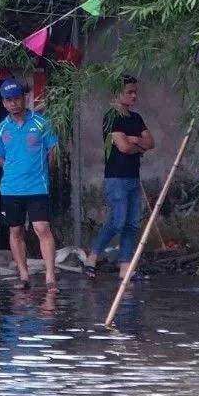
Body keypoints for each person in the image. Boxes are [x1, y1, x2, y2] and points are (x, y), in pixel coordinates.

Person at [83, 75, 154, 281]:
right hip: (116, 177)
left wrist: (134, 142)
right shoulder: (111, 116)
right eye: (130, 92)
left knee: (132, 223)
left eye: (135, 92)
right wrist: (136, 144)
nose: (134, 95)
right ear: (117, 93)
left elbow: (151, 142)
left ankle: (125, 268)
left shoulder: (136, 118)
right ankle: (92, 257)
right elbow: (123, 147)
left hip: (133, 175)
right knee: (118, 220)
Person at [0, 78, 61, 290]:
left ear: (24, 99)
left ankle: (50, 277)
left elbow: (53, 152)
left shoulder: (42, 123)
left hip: (37, 186)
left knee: (42, 228)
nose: (13, 103)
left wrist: (41, 170)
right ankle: (23, 275)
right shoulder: (1, 129)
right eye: (8, 100)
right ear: (4, 103)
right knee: (16, 231)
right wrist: (14, 170)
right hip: (11, 188)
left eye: (17, 99)